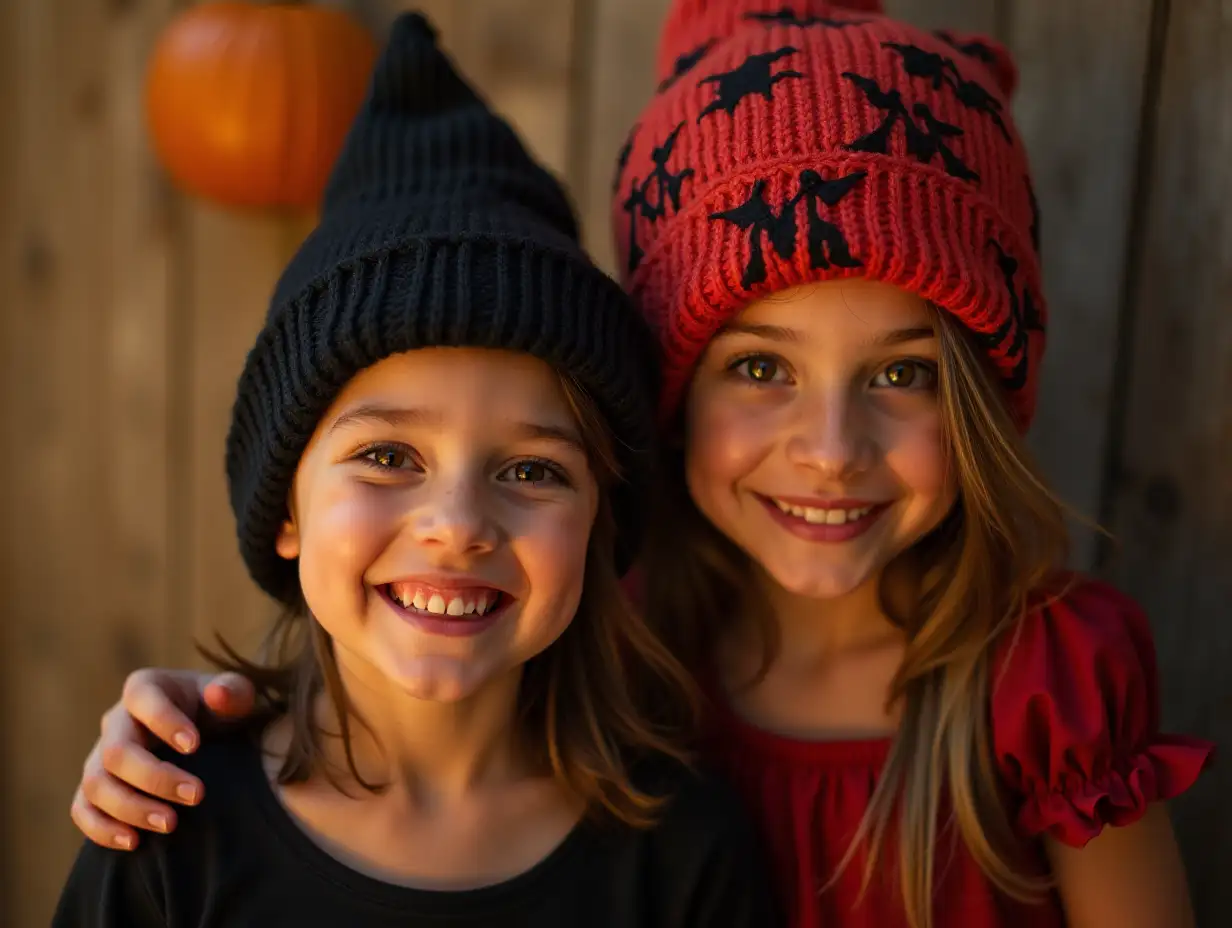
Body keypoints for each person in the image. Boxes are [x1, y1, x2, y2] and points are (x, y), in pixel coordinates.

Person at [67, 2, 1214, 927]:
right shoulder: (619, 643)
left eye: (901, 374)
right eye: (760, 370)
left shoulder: (1043, 688)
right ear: (670, 397)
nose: (828, 450)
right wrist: (179, 727)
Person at [53, 13, 777, 928]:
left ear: (601, 516)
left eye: (531, 469)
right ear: (287, 506)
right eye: (388, 456)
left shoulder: (683, 851)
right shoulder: (164, 821)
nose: (457, 521)